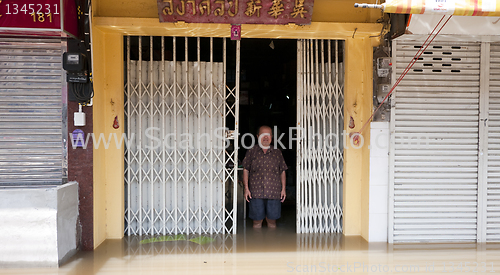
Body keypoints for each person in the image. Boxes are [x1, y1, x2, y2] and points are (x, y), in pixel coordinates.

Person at [242, 125, 288, 228]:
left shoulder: (277, 152)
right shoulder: (251, 151)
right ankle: (258, 242)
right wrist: (246, 189)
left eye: (268, 135)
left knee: (272, 223)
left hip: (274, 193)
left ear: (272, 137)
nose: (266, 137)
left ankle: (271, 243)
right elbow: (246, 170)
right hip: (255, 193)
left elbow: (282, 171)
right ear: (258, 136)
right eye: (263, 134)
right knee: (257, 223)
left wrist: (283, 189)